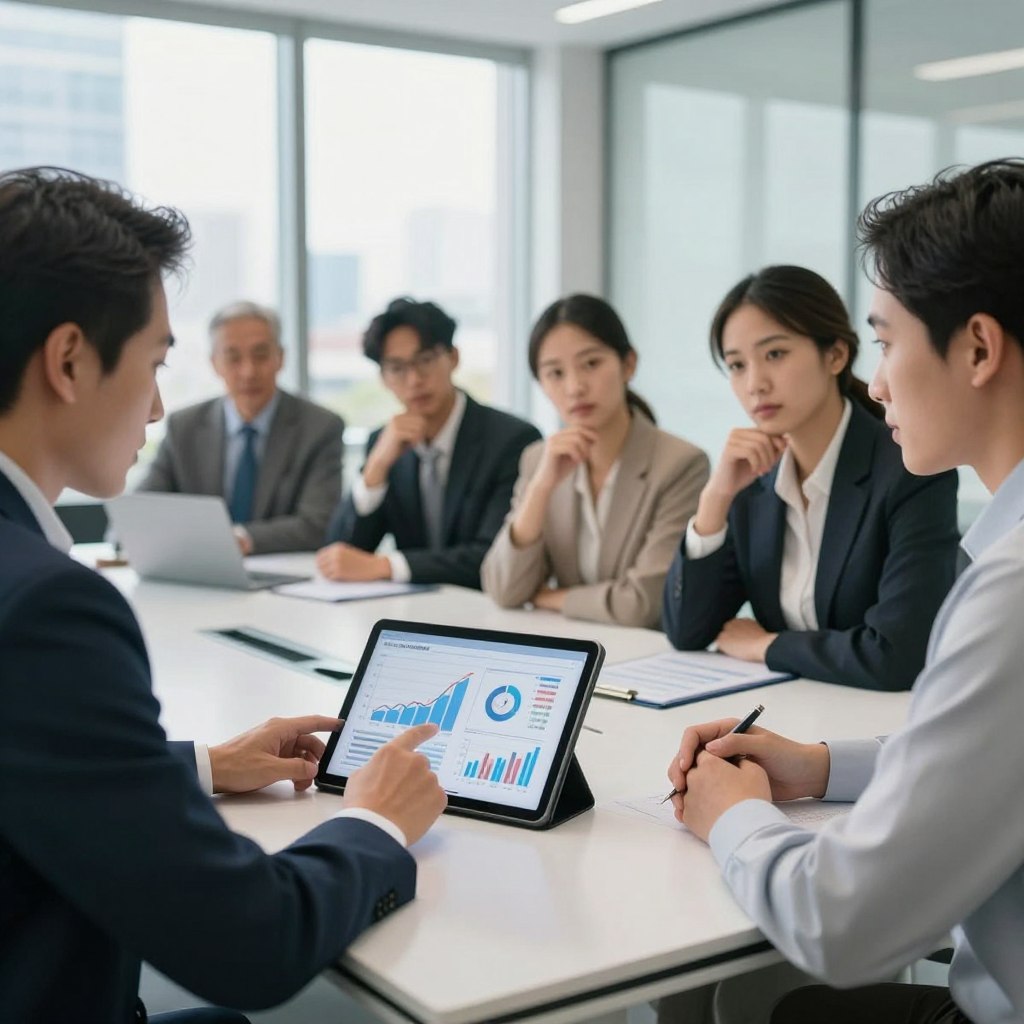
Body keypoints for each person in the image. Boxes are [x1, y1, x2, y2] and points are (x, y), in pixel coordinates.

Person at [0, 167, 447, 1024]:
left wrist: (199, 767)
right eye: (155, 362)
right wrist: (376, 824)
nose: (162, 404)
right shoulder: (47, 612)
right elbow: (254, 944)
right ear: (68, 360)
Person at [667, 159, 1024, 1024]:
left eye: (886, 340)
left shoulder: (1012, 589)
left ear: (977, 347)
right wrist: (822, 767)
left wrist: (734, 817)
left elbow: (843, 927)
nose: (877, 380)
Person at [662, 265, 959, 690]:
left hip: (878, 731)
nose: (755, 383)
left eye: (775, 354)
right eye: (736, 365)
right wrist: (715, 500)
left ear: (835, 355)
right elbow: (687, 632)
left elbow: (897, 655)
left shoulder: (909, 470)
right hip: (790, 713)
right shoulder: (752, 481)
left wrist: (767, 646)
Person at [482, 294, 709, 629]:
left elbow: (643, 605)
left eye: (591, 364)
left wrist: (550, 598)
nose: (574, 387)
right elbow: (503, 589)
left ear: (628, 364)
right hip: (572, 647)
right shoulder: (537, 460)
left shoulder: (680, 464)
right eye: (555, 373)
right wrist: (541, 488)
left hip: (648, 657)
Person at [319, 297, 540, 589]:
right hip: (415, 613)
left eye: (425, 360)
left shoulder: (513, 440)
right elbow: (341, 556)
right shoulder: (383, 444)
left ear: (453, 357)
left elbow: (493, 557)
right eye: (397, 368)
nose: (414, 380)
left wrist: (386, 566)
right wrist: (375, 470)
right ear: (383, 378)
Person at [139, 300, 343, 554]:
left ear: (280, 358)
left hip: (285, 578)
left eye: (260, 355)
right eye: (233, 357)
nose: (248, 371)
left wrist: (238, 539)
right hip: (200, 576)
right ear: (214, 363)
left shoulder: (320, 427)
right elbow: (142, 510)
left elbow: (318, 525)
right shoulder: (185, 427)